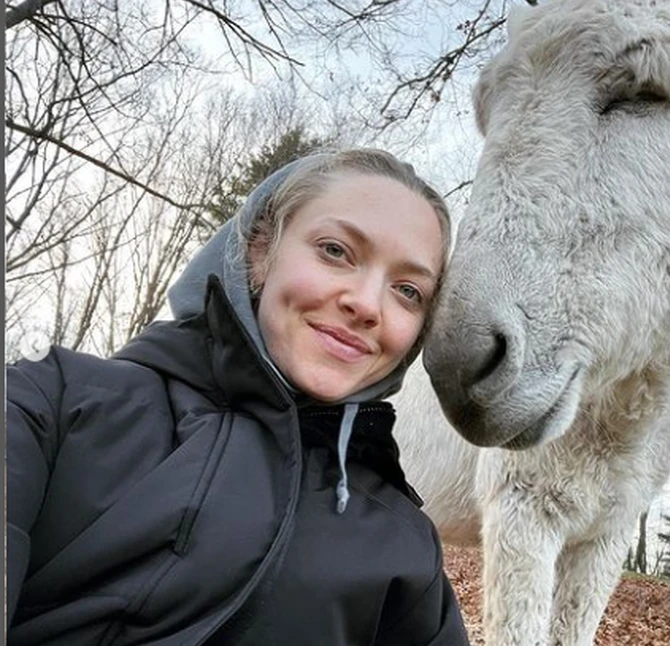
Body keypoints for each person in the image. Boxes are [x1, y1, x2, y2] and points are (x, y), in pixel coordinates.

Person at [6, 149, 471, 645]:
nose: (366, 305)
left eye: (407, 291)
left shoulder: (406, 544)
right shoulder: (51, 402)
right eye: (336, 251)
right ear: (260, 247)